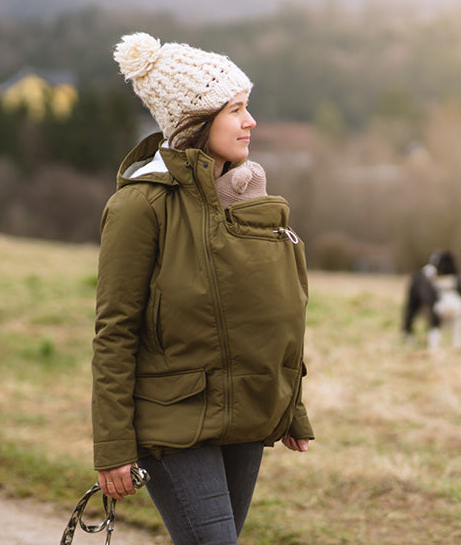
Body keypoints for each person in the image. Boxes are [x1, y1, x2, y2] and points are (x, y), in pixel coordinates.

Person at [91, 32, 313, 545]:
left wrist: (290, 407)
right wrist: (113, 446)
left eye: (247, 107)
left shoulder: (250, 197)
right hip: (174, 421)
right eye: (235, 109)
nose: (250, 122)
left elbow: (275, 317)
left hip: (247, 416)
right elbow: (114, 331)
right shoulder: (140, 206)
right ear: (195, 121)